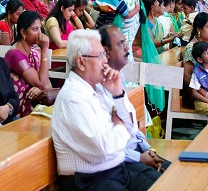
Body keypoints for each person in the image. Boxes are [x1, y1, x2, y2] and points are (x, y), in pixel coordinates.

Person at [52, 29, 163, 191]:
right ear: (81, 62)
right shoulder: (73, 97)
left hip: (117, 170)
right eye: (100, 55)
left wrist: (118, 94)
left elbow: (132, 128)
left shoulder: (99, 87)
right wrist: (120, 126)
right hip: (91, 181)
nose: (105, 61)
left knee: (169, 183)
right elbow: (103, 150)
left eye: (104, 54)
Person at [99, 25, 169, 173]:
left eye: (126, 42)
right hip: (123, 162)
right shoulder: (99, 87)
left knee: (177, 171)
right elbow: (107, 146)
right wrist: (140, 157)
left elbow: (133, 129)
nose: (127, 48)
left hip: (138, 150)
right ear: (106, 51)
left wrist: (149, 149)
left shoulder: (120, 77)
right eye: (121, 44)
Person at [5, 11, 52, 117]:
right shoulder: (15, 54)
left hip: (36, 104)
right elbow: (41, 82)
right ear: (23, 32)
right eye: (35, 29)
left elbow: (47, 83)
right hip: (17, 113)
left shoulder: (33, 52)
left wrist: (40, 89)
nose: (40, 33)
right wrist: (44, 50)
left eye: (40, 28)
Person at [182, 12, 208, 91]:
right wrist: (204, 94)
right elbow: (187, 76)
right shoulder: (191, 48)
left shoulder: (205, 43)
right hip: (202, 92)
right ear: (199, 29)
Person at [189, 41, 208, 116]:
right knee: (202, 106)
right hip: (202, 101)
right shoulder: (197, 73)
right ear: (200, 60)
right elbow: (194, 93)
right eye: (207, 53)